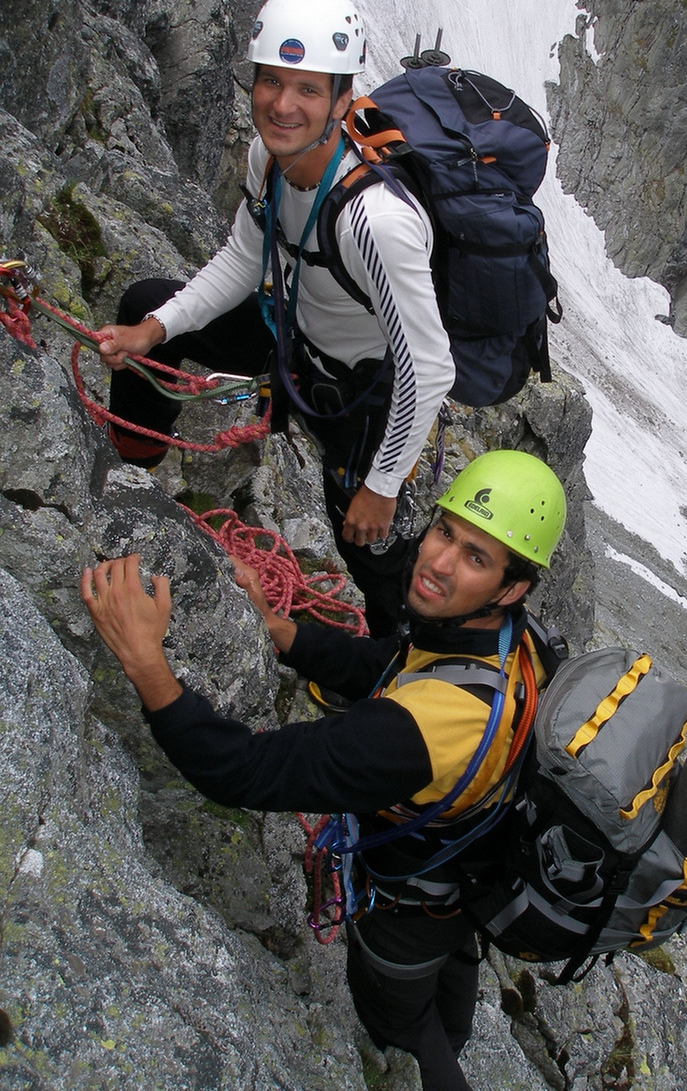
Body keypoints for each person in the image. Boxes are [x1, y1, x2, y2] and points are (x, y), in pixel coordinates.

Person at [81, 449, 566, 1091]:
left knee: (401, 1021)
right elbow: (394, 665)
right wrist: (284, 631)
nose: (438, 562)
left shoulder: (419, 732)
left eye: (476, 557)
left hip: (402, 908)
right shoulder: (510, 640)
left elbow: (243, 771)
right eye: (446, 531)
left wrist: (146, 664)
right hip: (464, 872)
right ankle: (450, 1028)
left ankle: (427, 1056)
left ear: (512, 586)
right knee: (446, 985)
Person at [97, 0, 455, 636]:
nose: (282, 105)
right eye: (270, 82)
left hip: (360, 393)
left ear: (343, 100)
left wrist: (382, 482)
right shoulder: (269, 157)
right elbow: (242, 256)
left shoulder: (376, 222)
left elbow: (428, 368)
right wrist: (154, 330)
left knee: (364, 541)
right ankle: (128, 483)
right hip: (289, 341)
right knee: (146, 302)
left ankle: (395, 665)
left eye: (308, 90)